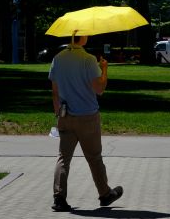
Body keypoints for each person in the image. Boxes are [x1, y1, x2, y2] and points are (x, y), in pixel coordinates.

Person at [48, 35, 123, 211]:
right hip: (88, 116)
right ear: (81, 37)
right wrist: (104, 69)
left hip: (65, 115)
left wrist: (58, 113)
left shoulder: (58, 59)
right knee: (94, 157)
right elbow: (99, 89)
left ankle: (59, 198)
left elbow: (55, 92)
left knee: (63, 158)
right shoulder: (88, 60)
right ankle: (105, 194)